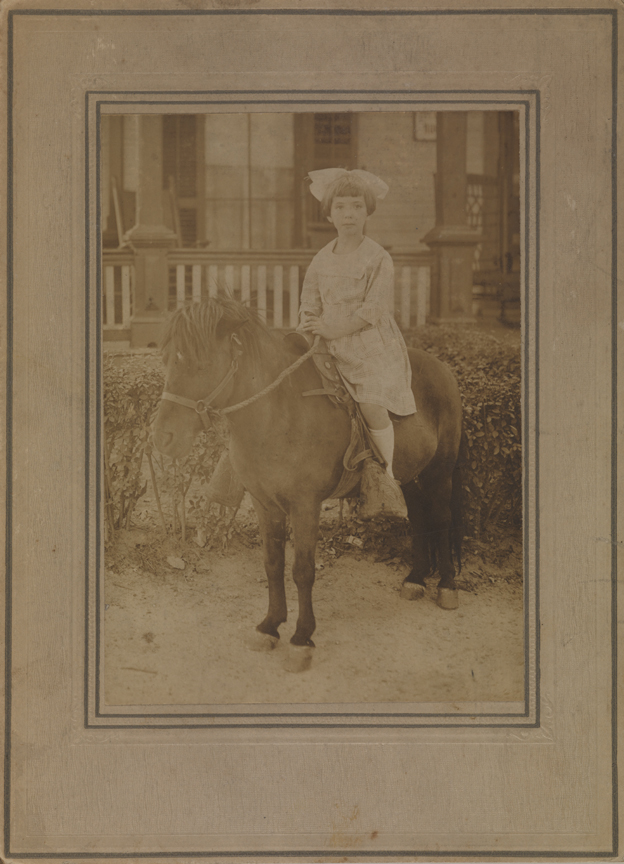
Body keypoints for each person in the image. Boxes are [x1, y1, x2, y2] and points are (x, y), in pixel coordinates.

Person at [297, 168, 416, 517]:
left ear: (367, 212)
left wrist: (335, 330)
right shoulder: (321, 258)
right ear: (329, 213)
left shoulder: (378, 257)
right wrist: (310, 327)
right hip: (325, 342)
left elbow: (373, 309)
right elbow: (309, 301)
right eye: (341, 207)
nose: (348, 214)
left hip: (367, 343)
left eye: (357, 207)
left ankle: (385, 477)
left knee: (371, 404)